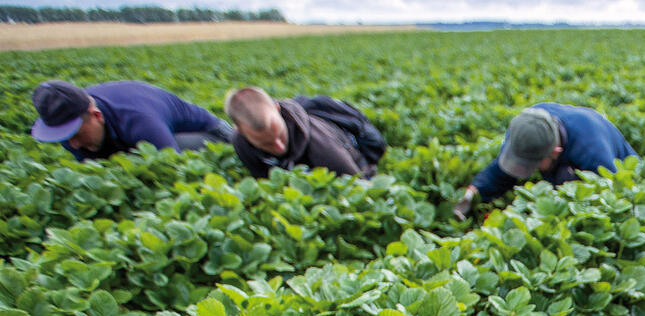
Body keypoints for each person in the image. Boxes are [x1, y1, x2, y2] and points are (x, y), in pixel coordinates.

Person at [454, 103, 636, 220]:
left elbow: (615, 196)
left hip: (625, 171)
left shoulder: (593, 151)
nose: (527, 168)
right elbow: (501, 172)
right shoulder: (527, 127)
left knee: (567, 178)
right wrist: (473, 193)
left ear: (556, 151)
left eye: (534, 163)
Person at [30, 80, 232, 161]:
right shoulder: (71, 132)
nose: (73, 144)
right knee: (125, 156)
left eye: (77, 134)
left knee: (158, 156)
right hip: (133, 138)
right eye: (64, 136)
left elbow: (174, 167)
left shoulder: (141, 122)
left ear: (97, 115)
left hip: (208, 133)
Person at [224, 87, 386, 179]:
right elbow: (264, 181)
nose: (279, 147)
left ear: (277, 108)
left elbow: (357, 186)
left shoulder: (322, 146)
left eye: (280, 135)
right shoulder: (240, 142)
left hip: (351, 163)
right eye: (267, 144)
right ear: (239, 130)